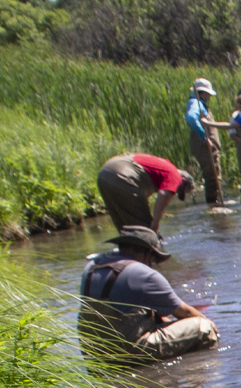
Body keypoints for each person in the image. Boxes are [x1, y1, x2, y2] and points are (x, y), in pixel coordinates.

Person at [79, 226, 219, 361]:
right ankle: (196, 373)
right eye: (154, 258)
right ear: (146, 253)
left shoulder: (91, 267)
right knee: (204, 328)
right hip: (127, 352)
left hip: (94, 352)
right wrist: (214, 329)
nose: (153, 263)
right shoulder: (143, 274)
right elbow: (187, 313)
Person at [95, 152, 194, 232]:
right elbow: (164, 194)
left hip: (104, 173)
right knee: (146, 232)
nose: (175, 192)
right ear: (183, 181)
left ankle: (126, 251)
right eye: (179, 190)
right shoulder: (175, 175)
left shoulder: (163, 164)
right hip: (123, 175)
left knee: (124, 228)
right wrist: (155, 224)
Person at [184, 78, 223, 205]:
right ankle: (213, 204)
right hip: (204, 145)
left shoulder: (197, 102)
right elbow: (191, 118)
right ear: (203, 93)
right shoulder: (197, 103)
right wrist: (204, 136)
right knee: (212, 175)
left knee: (212, 174)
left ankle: (214, 202)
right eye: (208, 95)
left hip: (204, 144)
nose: (209, 97)